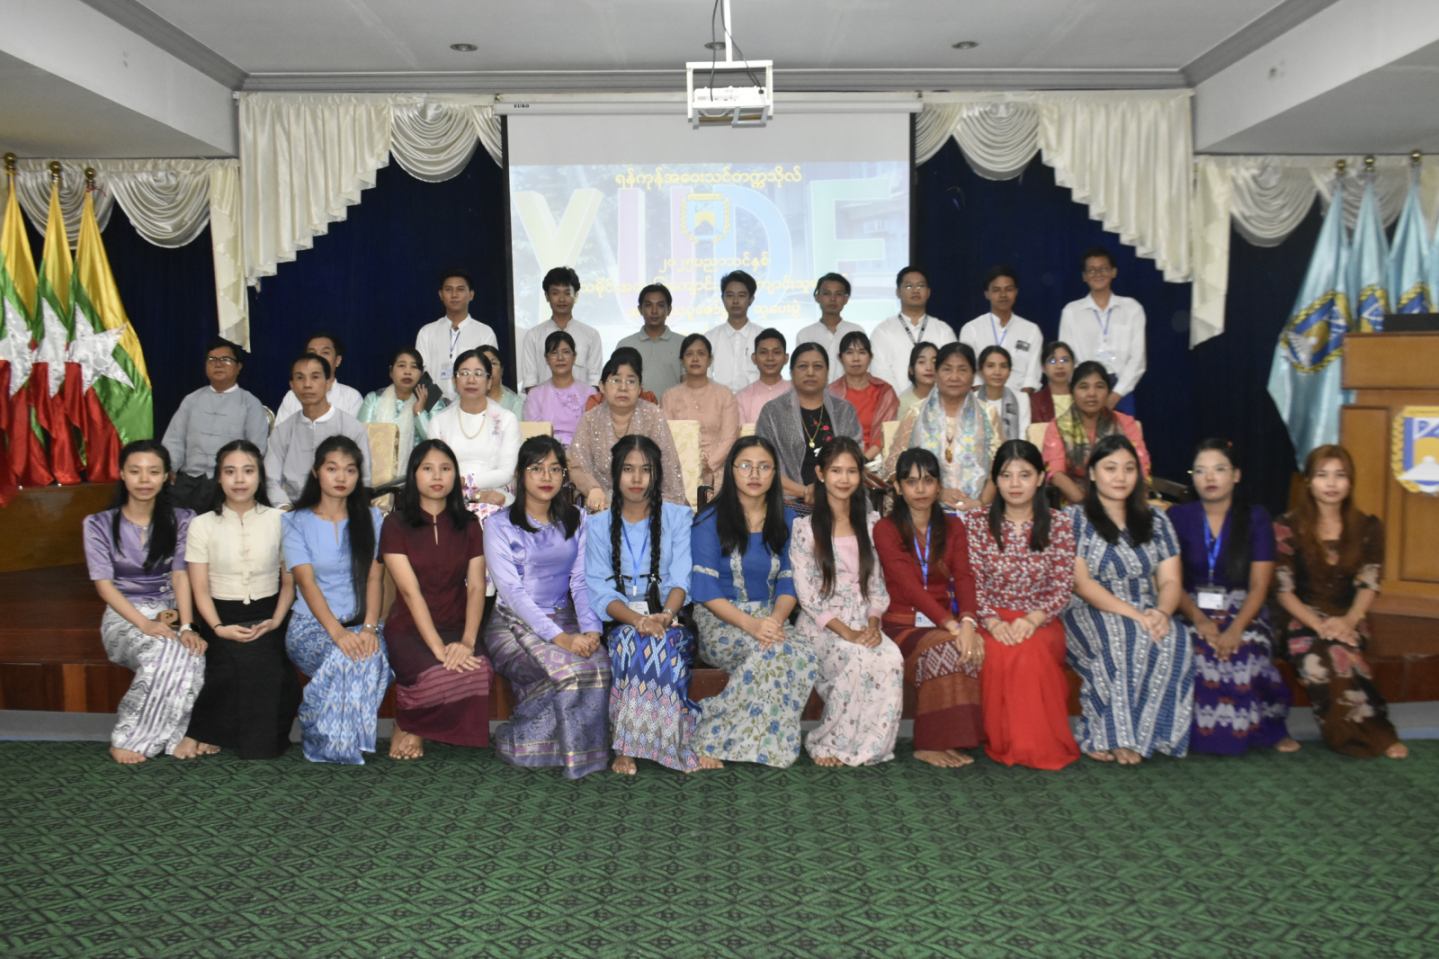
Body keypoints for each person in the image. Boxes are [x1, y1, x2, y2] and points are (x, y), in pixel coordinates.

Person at [484, 436, 611, 779]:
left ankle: (582, 753)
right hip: (511, 624)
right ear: (520, 474)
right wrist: (562, 639)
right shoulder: (498, 525)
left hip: (566, 618)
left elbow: (580, 582)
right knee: (568, 671)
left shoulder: (577, 519)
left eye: (555, 469)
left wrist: (591, 630)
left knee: (599, 666)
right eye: (537, 468)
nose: (546, 476)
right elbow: (512, 593)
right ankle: (521, 742)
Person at [1063, 434, 1192, 765]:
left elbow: (1170, 580)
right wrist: (1137, 616)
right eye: (1110, 468)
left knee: (1176, 638)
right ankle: (1108, 735)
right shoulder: (1075, 519)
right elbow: (1081, 584)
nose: (1120, 477)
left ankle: (1149, 735)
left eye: (1129, 468)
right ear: (1093, 473)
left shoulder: (1157, 520)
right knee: (1124, 637)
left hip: (1147, 604)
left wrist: (1162, 612)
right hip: (1089, 608)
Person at [689, 437, 816, 768]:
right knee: (772, 652)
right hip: (721, 619)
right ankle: (707, 734)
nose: (754, 474)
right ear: (731, 471)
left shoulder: (787, 519)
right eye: (745, 465)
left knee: (801, 654)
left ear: (775, 473)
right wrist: (752, 625)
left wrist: (774, 620)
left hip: (771, 617)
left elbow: (789, 580)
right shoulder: (709, 521)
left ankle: (763, 741)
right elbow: (704, 590)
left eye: (764, 467)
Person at [1274, 445, 1407, 759]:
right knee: (1320, 658)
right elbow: (1283, 590)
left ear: (1350, 482)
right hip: (1300, 617)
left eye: (1340, 475)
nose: (1331, 483)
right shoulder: (1286, 526)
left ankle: (1379, 733)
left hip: (1349, 615)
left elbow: (1369, 582)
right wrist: (1319, 625)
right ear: (1309, 481)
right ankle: (1347, 737)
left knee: (1346, 653)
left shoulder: (1368, 527)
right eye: (1323, 475)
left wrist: (1348, 621)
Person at [1170, 439, 1297, 756]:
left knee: (1246, 647)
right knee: (1196, 649)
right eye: (1200, 471)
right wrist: (1200, 620)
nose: (1209, 478)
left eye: (1219, 469)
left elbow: (1259, 586)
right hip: (1190, 605)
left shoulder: (1255, 517)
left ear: (1236, 475)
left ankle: (1266, 729)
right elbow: (1170, 582)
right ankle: (1190, 734)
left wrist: (1236, 628)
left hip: (1243, 608)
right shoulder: (1178, 517)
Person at [83, 440, 203, 764]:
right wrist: (145, 624)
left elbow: (180, 575)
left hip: (170, 608)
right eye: (135, 471)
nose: (144, 479)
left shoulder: (183, 518)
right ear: (122, 474)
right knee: (162, 649)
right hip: (124, 614)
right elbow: (104, 585)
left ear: (167, 477)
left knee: (190, 652)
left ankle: (175, 736)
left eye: (153, 472)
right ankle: (127, 737)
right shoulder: (98, 524)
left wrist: (188, 626)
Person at [584, 436, 699, 774]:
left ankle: (658, 741)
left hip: (672, 617)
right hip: (621, 621)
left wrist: (665, 616)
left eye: (645, 470)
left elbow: (681, 581)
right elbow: (600, 591)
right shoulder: (597, 525)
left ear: (657, 474)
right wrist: (638, 621)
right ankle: (627, 746)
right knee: (631, 644)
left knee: (662, 645)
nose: (636, 479)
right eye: (628, 470)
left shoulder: (678, 517)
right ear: (615, 474)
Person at [964, 441, 1080, 771]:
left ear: (1041, 478)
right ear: (995, 480)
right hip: (991, 618)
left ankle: (1035, 744)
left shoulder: (1058, 524)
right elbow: (971, 581)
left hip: (1041, 620)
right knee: (998, 651)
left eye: (1025, 475)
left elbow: (1062, 586)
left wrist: (1032, 619)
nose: (1015, 484)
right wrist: (992, 621)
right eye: (1006, 475)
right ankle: (1004, 742)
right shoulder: (976, 522)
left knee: (1030, 651)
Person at [184, 440, 300, 760]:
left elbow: (289, 582)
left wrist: (276, 621)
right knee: (225, 666)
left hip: (270, 613)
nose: (239, 480)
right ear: (218, 477)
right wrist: (218, 628)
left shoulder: (280, 520)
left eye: (248, 471)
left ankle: (229, 737)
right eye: (230, 471)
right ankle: (209, 733)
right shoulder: (201, 524)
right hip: (219, 615)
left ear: (259, 476)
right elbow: (200, 589)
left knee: (271, 670)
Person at [790, 437, 900, 767]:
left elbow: (877, 585)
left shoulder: (871, 524)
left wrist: (873, 624)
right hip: (822, 626)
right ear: (821, 474)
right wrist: (848, 633)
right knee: (855, 658)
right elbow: (808, 596)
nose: (844, 478)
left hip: (864, 620)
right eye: (836, 470)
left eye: (851, 471)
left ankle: (870, 746)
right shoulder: (804, 528)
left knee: (890, 657)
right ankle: (828, 742)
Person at [381, 440, 491, 761]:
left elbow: (476, 587)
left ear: (455, 475)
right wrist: (439, 649)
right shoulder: (395, 524)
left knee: (480, 672)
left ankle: (416, 724)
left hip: (456, 624)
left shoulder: (469, 523)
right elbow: (410, 593)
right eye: (427, 469)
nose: (437, 476)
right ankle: (408, 723)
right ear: (413, 475)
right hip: (409, 629)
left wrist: (467, 642)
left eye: (445, 468)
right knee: (436, 674)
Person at [874, 448, 984, 768]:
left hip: (942, 622)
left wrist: (968, 622)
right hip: (900, 624)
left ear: (939, 486)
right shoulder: (885, 529)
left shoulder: (953, 526)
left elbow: (964, 577)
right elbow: (908, 586)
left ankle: (955, 738)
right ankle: (930, 744)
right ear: (897, 487)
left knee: (971, 646)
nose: (920, 489)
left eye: (928, 480)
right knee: (946, 648)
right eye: (911, 482)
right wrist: (953, 627)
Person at [282, 436, 389, 765]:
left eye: (350, 470)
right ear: (317, 472)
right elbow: (306, 582)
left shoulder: (372, 518)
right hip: (311, 627)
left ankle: (328, 734)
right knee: (348, 657)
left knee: (370, 657)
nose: (341, 477)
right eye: (332, 469)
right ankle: (327, 731)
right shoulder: (294, 521)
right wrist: (338, 633)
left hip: (362, 624)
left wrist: (369, 628)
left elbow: (374, 579)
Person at [568, 349, 685, 511]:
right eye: (616, 380)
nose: (623, 387)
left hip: (649, 504)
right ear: (602, 386)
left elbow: (668, 466)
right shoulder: (590, 419)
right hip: (603, 506)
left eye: (631, 381)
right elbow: (577, 464)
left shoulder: (653, 415)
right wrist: (592, 488)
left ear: (640, 388)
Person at [883, 342, 995, 511]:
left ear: (973, 375)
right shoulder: (916, 413)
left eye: (962, 370)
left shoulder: (988, 414)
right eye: (947, 369)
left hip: (976, 511)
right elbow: (894, 468)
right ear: (936, 373)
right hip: (925, 510)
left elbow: (1001, 469)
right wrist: (936, 492)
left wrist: (979, 504)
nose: (954, 377)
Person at [161, 337, 268, 511]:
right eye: (212, 359)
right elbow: (174, 439)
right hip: (188, 481)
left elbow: (256, 449)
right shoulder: (191, 400)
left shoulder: (250, 403)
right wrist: (169, 468)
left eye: (225, 359)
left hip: (227, 484)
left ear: (239, 367)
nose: (218, 364)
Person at [755, 343, 862, 509]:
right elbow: (765, 465)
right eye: (803, 366)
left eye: (817, 366)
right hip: (788, 503)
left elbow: (855, 460)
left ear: (827, 372)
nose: (810, 372)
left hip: (840, 500)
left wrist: (828, 492)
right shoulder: (773, 412)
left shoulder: (844, 410)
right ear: (791, 372)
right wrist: (805, 492)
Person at [265, 353, 372, 508]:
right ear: (292, 385)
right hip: (293, 510)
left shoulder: (351, 428)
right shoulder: (283, 431)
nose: (307, 384)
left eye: (315, 377)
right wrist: (285, 509)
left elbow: (364, 480)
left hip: (341, 510)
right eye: (300, 378)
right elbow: (270, 479)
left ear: (328, 383)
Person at [426, 349, 521, 516]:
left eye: (478, 373)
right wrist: (473, 494)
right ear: (455, 381)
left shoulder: (507, 420)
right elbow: (434, 471)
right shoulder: (438, 422)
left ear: (489, 381)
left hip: (495, 495)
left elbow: (506, 473)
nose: (471, 379)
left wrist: (466, 483)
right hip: (448, 496)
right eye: (464, 373)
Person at [1042, 360, 1150, 505]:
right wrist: (1089, 505)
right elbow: (1056, 474)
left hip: (1123, 500)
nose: (1092, 393)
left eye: (1099, 386)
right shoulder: (1058, 427)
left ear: (1108, 392)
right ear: (1072, 392)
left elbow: (1141, 466)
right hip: (1077, 503)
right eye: (1083, 387)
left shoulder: (1125, 423)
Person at [1058, 247, 1146, 414]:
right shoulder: (1071, 311)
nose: (1097, 274)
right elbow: (1066, 357)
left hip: (1121, 389)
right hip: (1084, 389)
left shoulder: (1132, 308)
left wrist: (1115, 395)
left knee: (1123, 432)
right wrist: (1085, 389)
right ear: (1084, 276)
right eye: (1091, 270)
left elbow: (1137, 359)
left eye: (1103, 269)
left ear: (1114, 272)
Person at [661, 333, 740, 491]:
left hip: (718, 470)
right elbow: (666, 438)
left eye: (701, 353)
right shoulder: (669, 396)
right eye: (689, 354)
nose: (695, 359)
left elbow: (730, 437)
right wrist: (688, 465)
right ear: (682, 360)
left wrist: (709, 465)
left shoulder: (724, 394)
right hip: (680, 470)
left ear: (710, 360)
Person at [415, 270, 499, 402]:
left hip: (473, 405)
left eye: (460, 289)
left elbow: (490, 373)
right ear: (441, 295)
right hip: (434, 407)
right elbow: (420, 372)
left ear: (471, 295)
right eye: (448, 290)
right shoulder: (427, 332)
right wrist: (438, 406)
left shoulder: (484, 332)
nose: (454, 295)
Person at [959, 266, 1044, 393]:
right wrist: (987, 400)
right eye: (996, 290)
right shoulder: (971, 329)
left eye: (1008, 289)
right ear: (987, 294)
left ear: (1016, 292)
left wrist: (1019, 401)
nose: (1003, 295)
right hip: (980, 399)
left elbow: (1032, 376)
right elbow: (969, 372)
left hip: (1020, 400)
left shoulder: (1031, 330)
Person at [870, 265, 956, 390]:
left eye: (921, 286)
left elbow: (951, 368)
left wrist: (933, 399)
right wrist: (902, 400)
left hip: (938, 400)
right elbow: (880, 373)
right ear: (898, 292)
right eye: (909, 286)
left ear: (928, 292)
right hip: (895, 401)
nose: (915, 290)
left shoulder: (943, 330)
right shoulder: (883, 331)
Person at [518, 266, 604, 390]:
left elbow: (595, 380)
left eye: (567, 293)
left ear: (576, 296)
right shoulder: (533, 336)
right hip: (544, 402)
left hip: (582, 402)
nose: (562, 299)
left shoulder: (591, 335)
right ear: (547, 296)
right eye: (555, 293)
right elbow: (530, 381)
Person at [827, 331, 899, 463]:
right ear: (840, 358)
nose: (856, 358)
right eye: (849, 352)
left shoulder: (884, 392)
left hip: (877, 463)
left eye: (862, 352)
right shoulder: (830, 393)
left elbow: (887, 434)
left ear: (870, 357)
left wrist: (863, 461)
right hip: (838, 461)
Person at [357, 347, 437, 466]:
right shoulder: (374, 399)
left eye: (414, 367)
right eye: (401, 365)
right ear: (391, 371)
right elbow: (360, 440)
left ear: (421, 373)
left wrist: (419, 413)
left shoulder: (432, 400)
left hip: (418, 470)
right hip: (377, 470)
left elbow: (435, 443)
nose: (407, 372)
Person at [521, 330, 595, 446]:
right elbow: (533, 436)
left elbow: (593, 433)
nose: (560, 358)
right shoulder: (535, 395)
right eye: (554, 352)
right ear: (546, 359)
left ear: (574, 357)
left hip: (581, 452)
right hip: (544, 452)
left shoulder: (589, 392)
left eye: (566, 352)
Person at [274, 332, 363, 423]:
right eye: (312, 353)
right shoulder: (292, 396)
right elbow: (280, 431)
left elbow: (355, 431)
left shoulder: (351, 397)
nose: (318, 357)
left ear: (337, 360)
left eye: (325, 353)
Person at [616, 283, 685, 397]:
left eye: (660, 305)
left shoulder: (684, 344)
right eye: (648, 305)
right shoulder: (625, 345)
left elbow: (689, 384)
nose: (654, 311)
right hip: (634, 408)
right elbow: (617, 382)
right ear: (640, 309)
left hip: (673, 407)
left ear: (669, 309)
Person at [705, 269, 763, 393]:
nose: (735, 301)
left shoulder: (763, 337)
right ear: (722, 299)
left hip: (756, 401)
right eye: (730, 295)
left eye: (741, 295)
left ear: (751, 299)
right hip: (718, 402)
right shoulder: (709, 338)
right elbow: (705, 377)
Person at [795, 272, 862, 362]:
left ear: (846, 299)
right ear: (817, 297)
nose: (833, 299)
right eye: (827, 293)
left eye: (838, 294)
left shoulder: (856, 332)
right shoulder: (805, 335)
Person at [976, 345, 1031, 447]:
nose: (997, 372)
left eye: (1003, 366)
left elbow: (1023, 437)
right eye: (990, 366)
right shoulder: (971, 399)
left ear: (1010, 371)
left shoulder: (1022, 398)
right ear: (980, 370)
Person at [735, 327, 791, 425]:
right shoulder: (741, 397)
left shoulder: (797, 393)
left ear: (786, 358)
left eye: (776, 352)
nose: (770, 358)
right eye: (763, 352)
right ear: (754, 358)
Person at [1028, 341, 1076, 425]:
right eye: (1052, 361)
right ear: (1043, 368)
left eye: (1065, 360)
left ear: (1073, 365)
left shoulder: (1083, 397)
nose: (1059, 366)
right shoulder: (1034, 402)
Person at [479, 344, 524, 420]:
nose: (488, 368)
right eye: (483, 364)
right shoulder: (463, 399)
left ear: (502, 370)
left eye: (493, 363)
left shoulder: (515, 403)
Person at [896, 341, 937, 421]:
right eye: (921, 362)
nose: (929, 367)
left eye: (934, 362)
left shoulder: (948, 396)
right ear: (911, 370)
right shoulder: (903, 403)